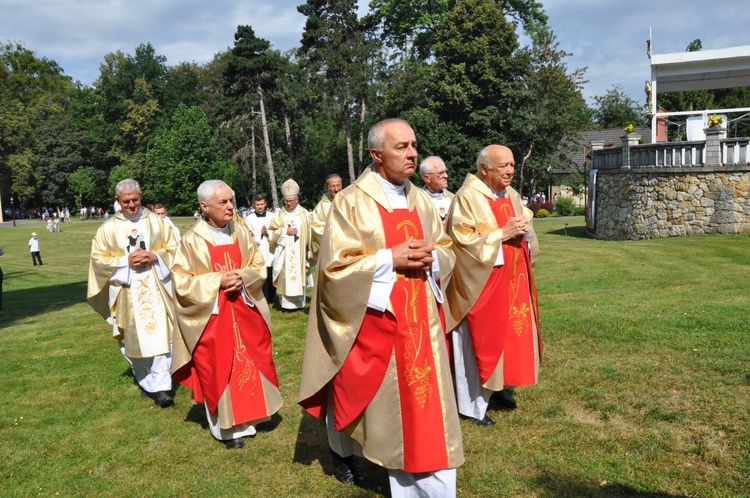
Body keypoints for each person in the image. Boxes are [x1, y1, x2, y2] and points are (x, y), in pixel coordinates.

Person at [299, 118, 464, 496]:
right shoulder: (351, 202)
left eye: (413, 145)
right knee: (378, 403)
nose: (412, 153)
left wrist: (433, 258)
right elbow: (335, 268)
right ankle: (352, 453)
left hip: (422, 320)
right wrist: (391, 259)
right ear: (376, 155)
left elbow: (446, 248)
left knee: (426, 409)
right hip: (376, 320)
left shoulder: (421, 200)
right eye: (401, 147)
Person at [171, 180, 282, 450]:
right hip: (214, 317)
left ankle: (253, 415)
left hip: (244, 310)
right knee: (220, 366)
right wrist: (216, 282)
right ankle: (226, 427)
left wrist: (242, 277)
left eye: (231, 200)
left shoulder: (240, 231)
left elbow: (257, 262)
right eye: (223, 202)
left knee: (253, 359)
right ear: (204, 206)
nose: (231, 206)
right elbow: (181, 282)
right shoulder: (192, 240)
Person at [444, 144, 542, 427]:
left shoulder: (510, 195)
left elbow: (524, 228)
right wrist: (502, 233)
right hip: (480, 284)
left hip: (513, 280)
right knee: (479, 340)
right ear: (484, 169)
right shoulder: (467, 197)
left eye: (512, 165)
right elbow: (460, 241)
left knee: (511, 337)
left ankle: (500, 388)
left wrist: (524, 231)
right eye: (503, 166)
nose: (510, 171)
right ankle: (471, 404)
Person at [87, 179, 179, 408]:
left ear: (141, 196)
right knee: (133, 341)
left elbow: (178, 248)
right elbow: (98, 260)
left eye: (135, 200)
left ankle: (162, 388)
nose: (132, 205)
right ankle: (148, 382)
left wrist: (155, 256)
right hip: (127, 291)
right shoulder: (108, 229)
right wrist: (124, 261)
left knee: (162, 338)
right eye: (126, 201)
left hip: (157, 286)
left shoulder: (158, 222)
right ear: (117, 201)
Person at [268, 179, 311, 311]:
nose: (289, 203)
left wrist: (309, 249)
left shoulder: (304, 214)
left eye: (291, 201)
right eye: (287, 201)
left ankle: (299, 304)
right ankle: (286, 305)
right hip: (285, 252)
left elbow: (310, 232)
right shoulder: (280, 215)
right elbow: (272, 231)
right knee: (286, 275)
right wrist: (285, 231)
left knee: (298, 275)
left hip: (300, 251)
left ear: (297, 199)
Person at [244, 194, 276, 303]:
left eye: (262, 204)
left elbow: (277, 230)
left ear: (266, 204)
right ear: (254, 205)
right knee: (261, 272)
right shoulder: (249, 219)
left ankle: (272, 296)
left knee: (271, 271)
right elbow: (248, 234)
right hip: (258, 247)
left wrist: (268, 232)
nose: (260, 206)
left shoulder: (272, 216)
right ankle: (263, 297)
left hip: (270, 247)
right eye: (258, 205)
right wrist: (260, 233)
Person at [310, 174, 343, 263]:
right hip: (331, 249)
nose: (336, 189)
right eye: (332, 186)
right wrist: (332, 232)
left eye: (338, 185)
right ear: (327, 188)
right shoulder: (321, 207)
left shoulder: (349, 201)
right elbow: (315, 228)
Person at [419, 156, 454, 224]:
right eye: (441, 173)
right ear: (427, 178)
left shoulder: (453, 198)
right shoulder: (418, 201)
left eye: (445, 172)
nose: (446, 176)